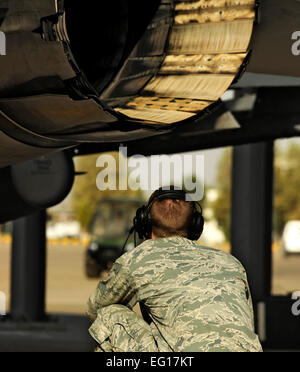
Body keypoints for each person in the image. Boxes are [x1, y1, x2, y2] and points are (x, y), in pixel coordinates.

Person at [87, 188, 262, 352]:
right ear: (196, 225)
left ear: (144, 222)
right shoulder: (231, 262)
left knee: (110, 314)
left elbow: (95, 308)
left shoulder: (139, 259)